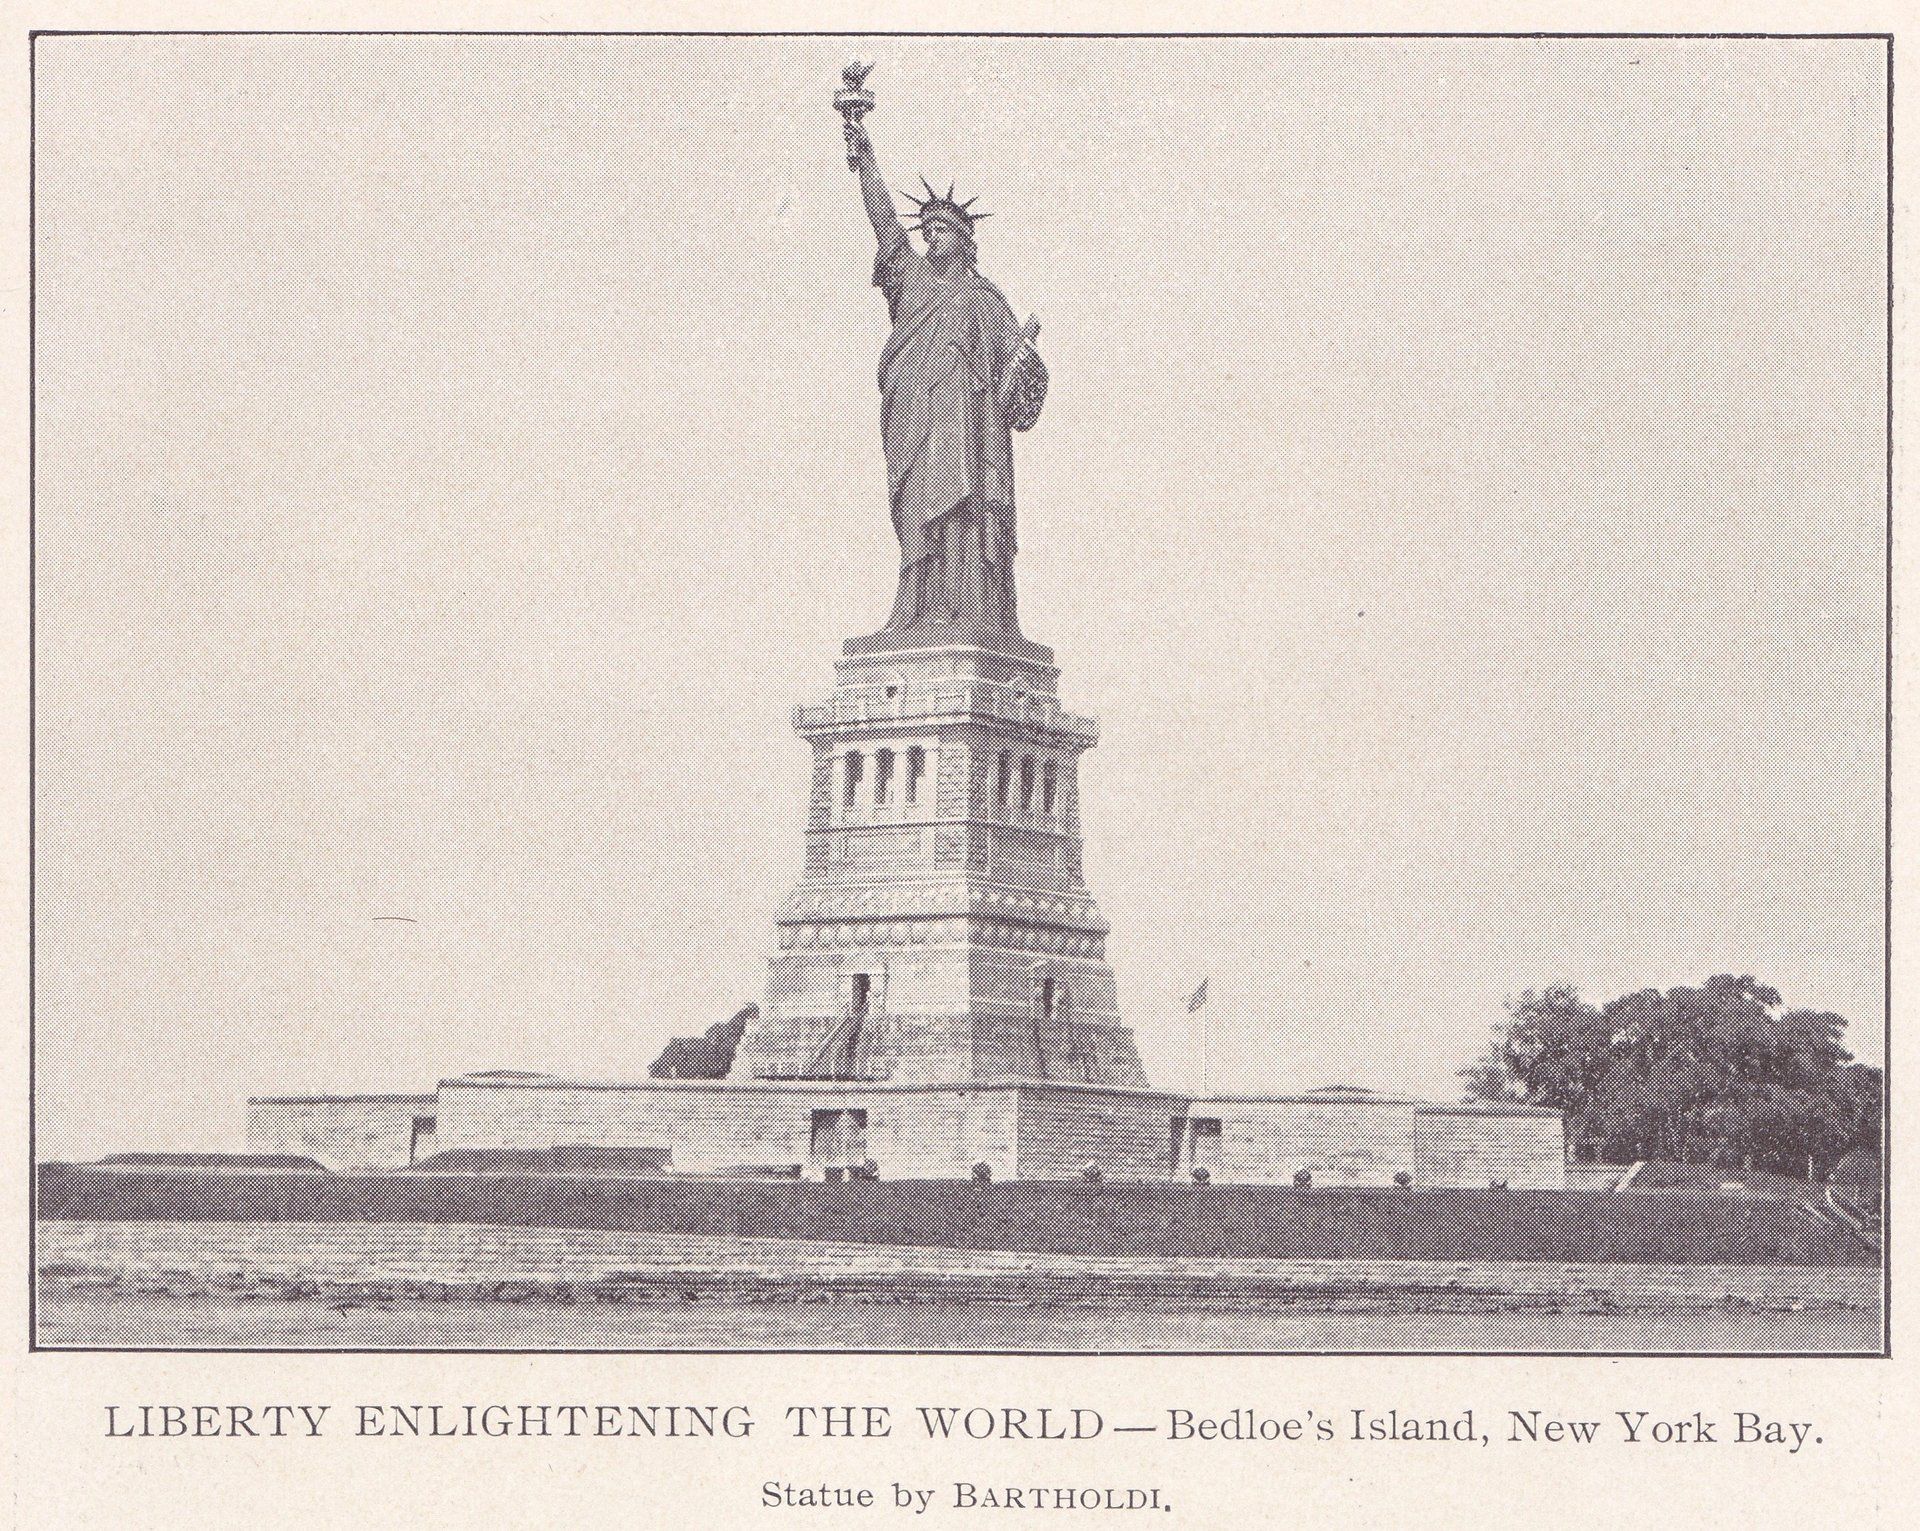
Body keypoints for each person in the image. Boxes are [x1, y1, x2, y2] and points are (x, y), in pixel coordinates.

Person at [844, 117, 1046, 635]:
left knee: (968, 522)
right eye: (927, 232)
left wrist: (1026, 366)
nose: (934, 239)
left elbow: (1019, 399)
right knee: (918, 520)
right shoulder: (909, 282)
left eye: (945, 231)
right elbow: (882, 220)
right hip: (917, 423)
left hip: (973, 436)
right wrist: (860, 144)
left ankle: (976, 622)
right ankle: (914, 617)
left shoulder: (988, 301)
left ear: (965, 241)